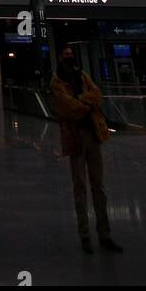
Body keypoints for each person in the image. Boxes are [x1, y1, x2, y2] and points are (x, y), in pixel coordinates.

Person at [51, 46, 122, 255]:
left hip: (93, 135)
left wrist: (82, 102)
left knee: (98, 186)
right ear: (60, 57)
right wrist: (86, 103)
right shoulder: (57, 82)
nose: (69, 56)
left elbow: (97, 94)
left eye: (71, 53)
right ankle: (84, 234)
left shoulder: (82, 75)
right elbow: (67, 107)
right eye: (65, 54)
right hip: (75, 138)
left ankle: (104, 234)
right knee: (80, 185)